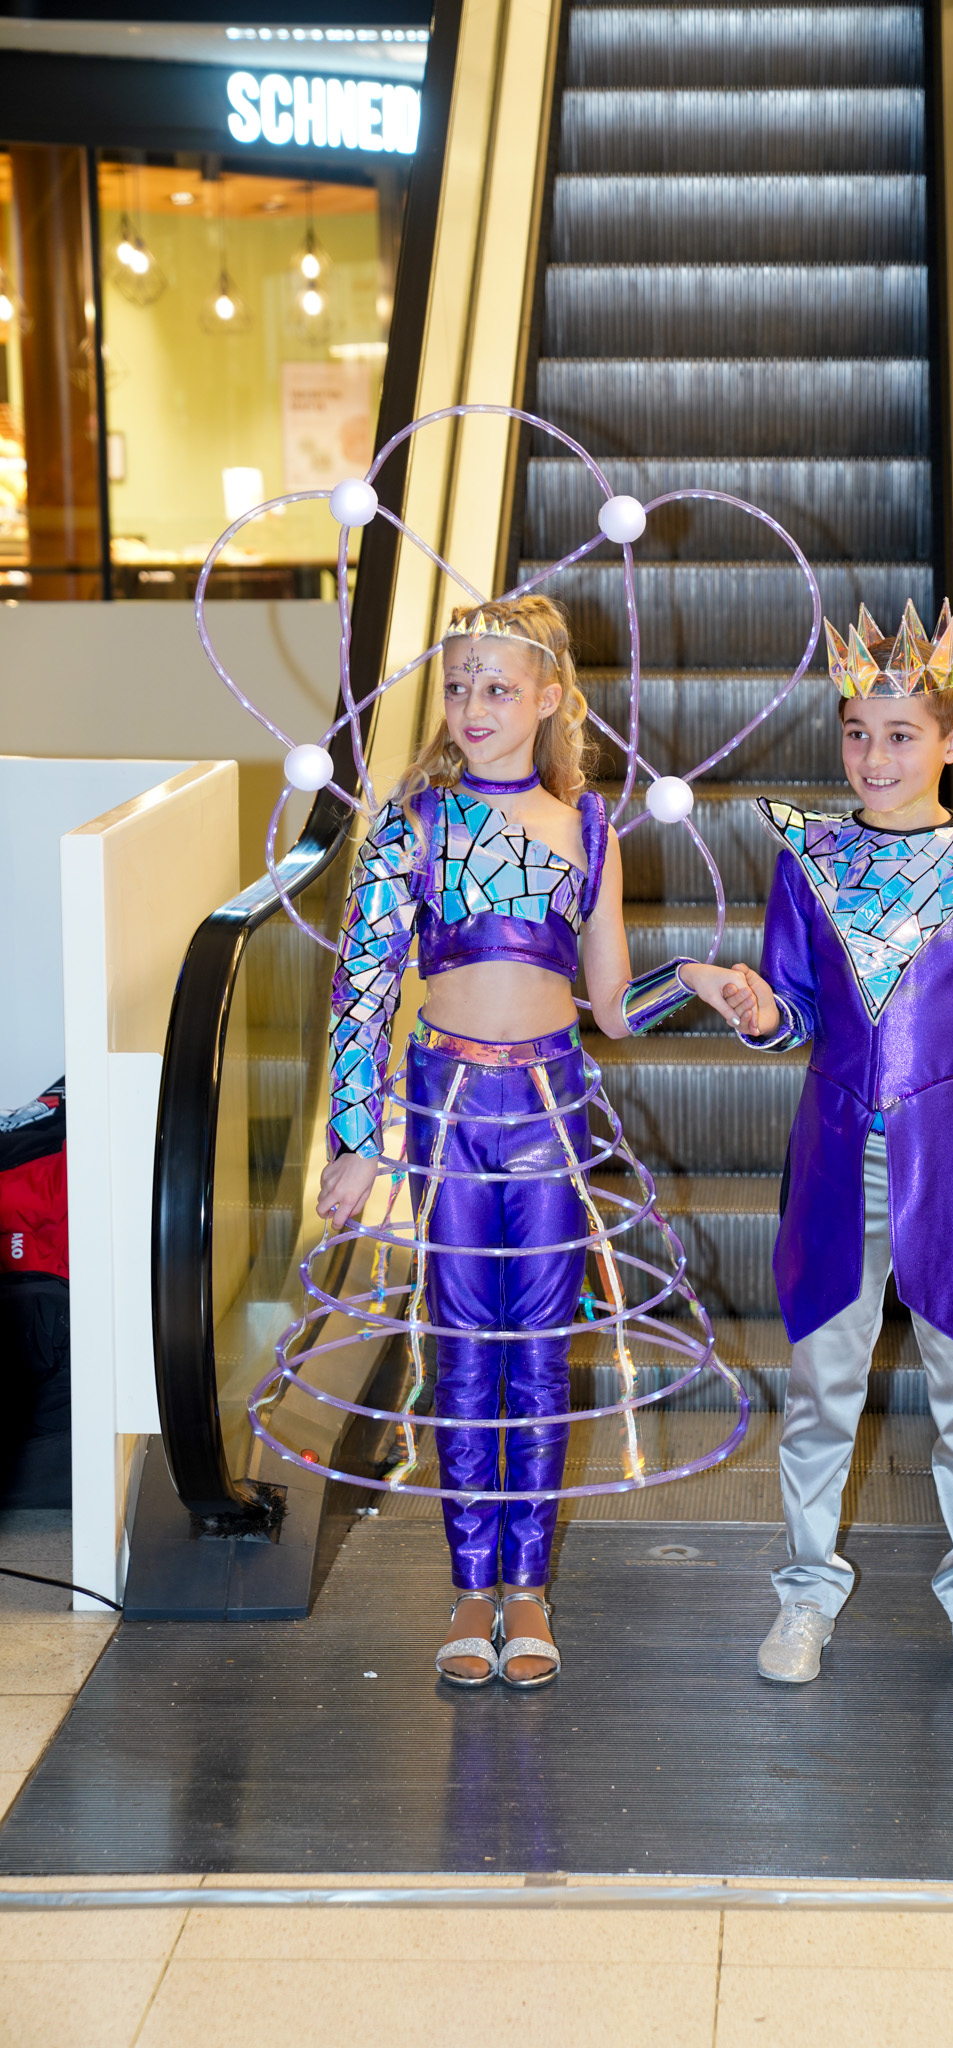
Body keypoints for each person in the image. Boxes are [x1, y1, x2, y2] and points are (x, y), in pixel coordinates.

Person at [319, 593, 760, 1688]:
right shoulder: (414, 825)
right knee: (465, 1344)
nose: (472, 706)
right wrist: (357, 1137)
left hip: (552, 1106)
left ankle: (529, 1586)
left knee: (542, 1348)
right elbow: (363, 988)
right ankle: (471, 1585)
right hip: (448, 1105)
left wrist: (691, 979)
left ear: (550, 698)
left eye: (498, 687)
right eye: (457, 686)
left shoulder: (591, 831)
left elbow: (612, 1005)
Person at [728, 599, 953, 1692]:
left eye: (901, 735)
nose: (874, 757)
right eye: (857, 733)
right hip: (836, 1160)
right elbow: (790, 1007)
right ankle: (803, 1591)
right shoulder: (809, 858)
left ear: (952, 741)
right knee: (820, 1387)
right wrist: (756, 1007)